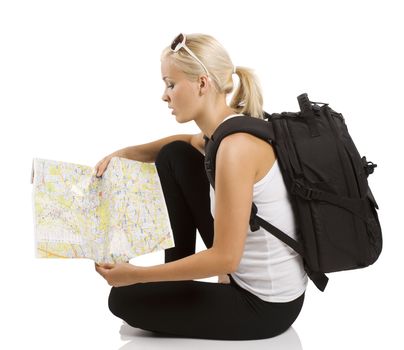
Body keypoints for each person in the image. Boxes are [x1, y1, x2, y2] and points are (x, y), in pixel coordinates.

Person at [94, 33, 307, 340]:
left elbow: (226, 259)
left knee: (123, 300)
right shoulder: (226, 131)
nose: (164, 95)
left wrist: (137, 276)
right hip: (249, 278)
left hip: (265, 306)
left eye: (170, 84)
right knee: (174, 156)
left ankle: (165, 285)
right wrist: (124, 153)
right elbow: (183, 144)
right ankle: (173, 280)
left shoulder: (235, 150)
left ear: (202, 84)